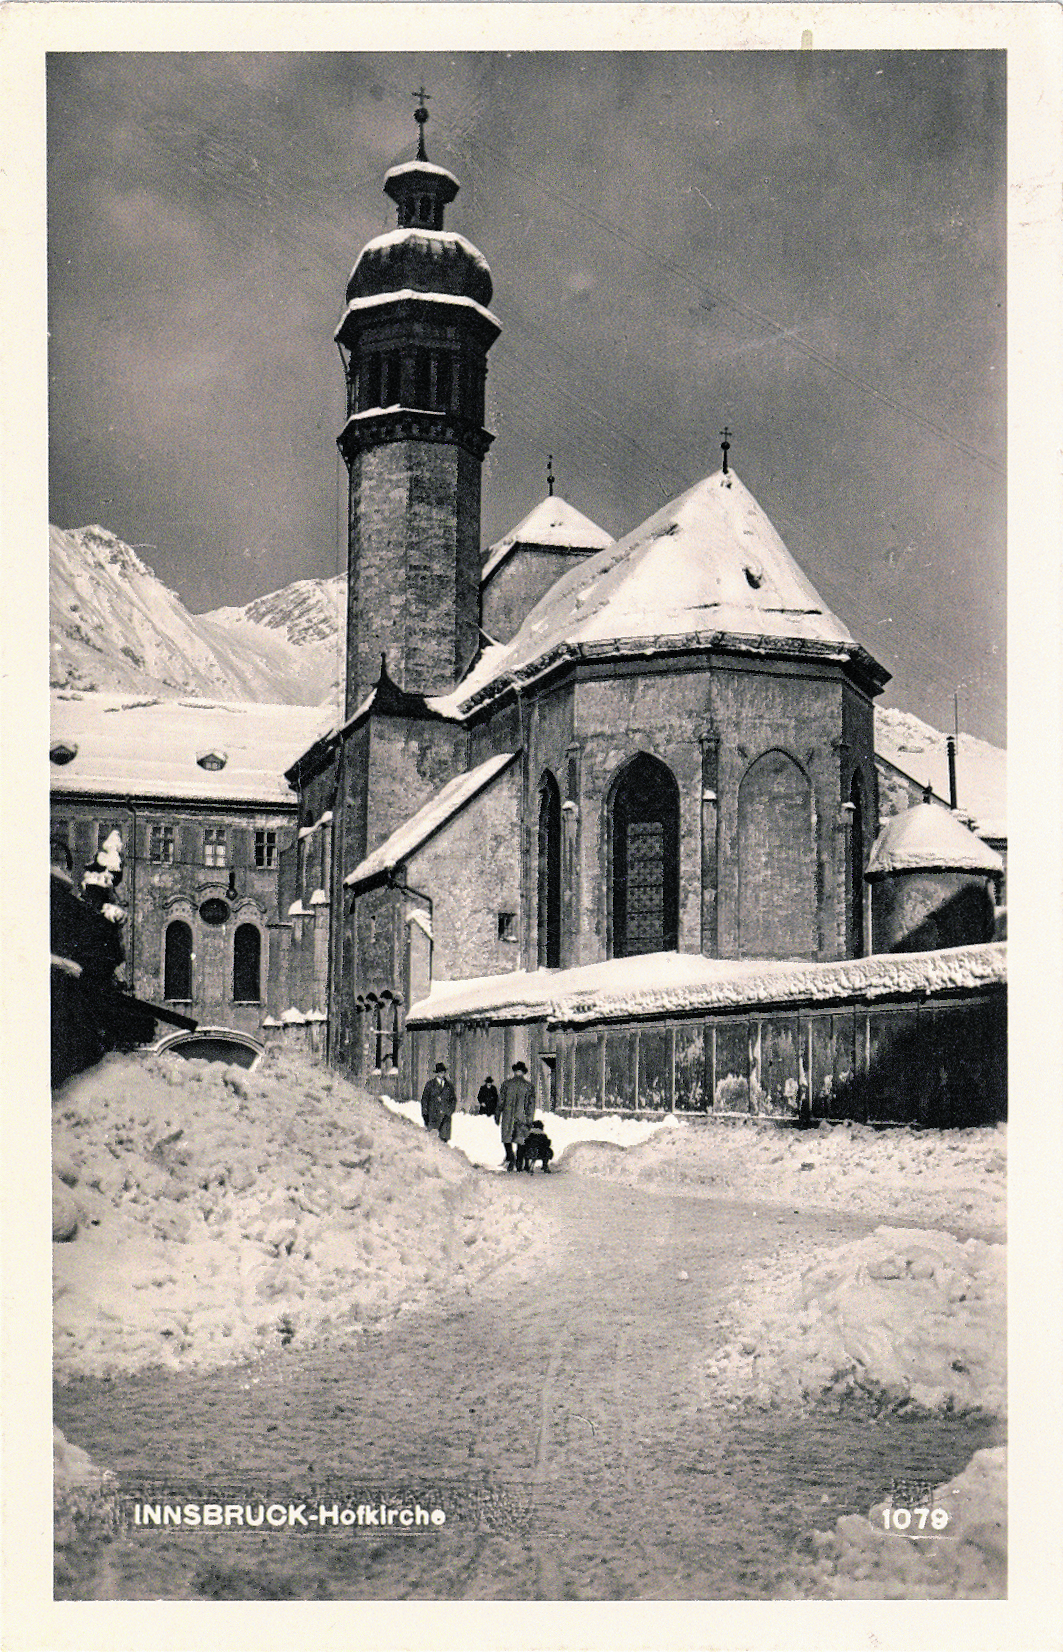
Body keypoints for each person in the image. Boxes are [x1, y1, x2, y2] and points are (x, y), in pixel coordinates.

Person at [498, 1060, 534, 1171]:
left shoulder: (506, 1084)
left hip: (508, 1116)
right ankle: (519, 1163)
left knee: (506, 1139)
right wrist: (529, 1118)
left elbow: (500, 1102)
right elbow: (531, 1105)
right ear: (523, 1072)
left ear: (514, 1071)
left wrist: (497, 1114)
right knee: (520, 1140)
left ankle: (511, 1158)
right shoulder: (529, 1086)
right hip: (522, 1116)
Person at [420, 1061, 457, 1143]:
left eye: (443, 1072)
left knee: (444, 1141)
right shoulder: (430, 1085)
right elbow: (424, 1100)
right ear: (436, 1073)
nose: (442, 1073)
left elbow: (453, 1100)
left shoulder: (449, 1086)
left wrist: (449, 1111)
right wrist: (425, 1114)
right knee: (433, 1141)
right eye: (440, 1072)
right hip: (433, 1117)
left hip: (445, 1118)